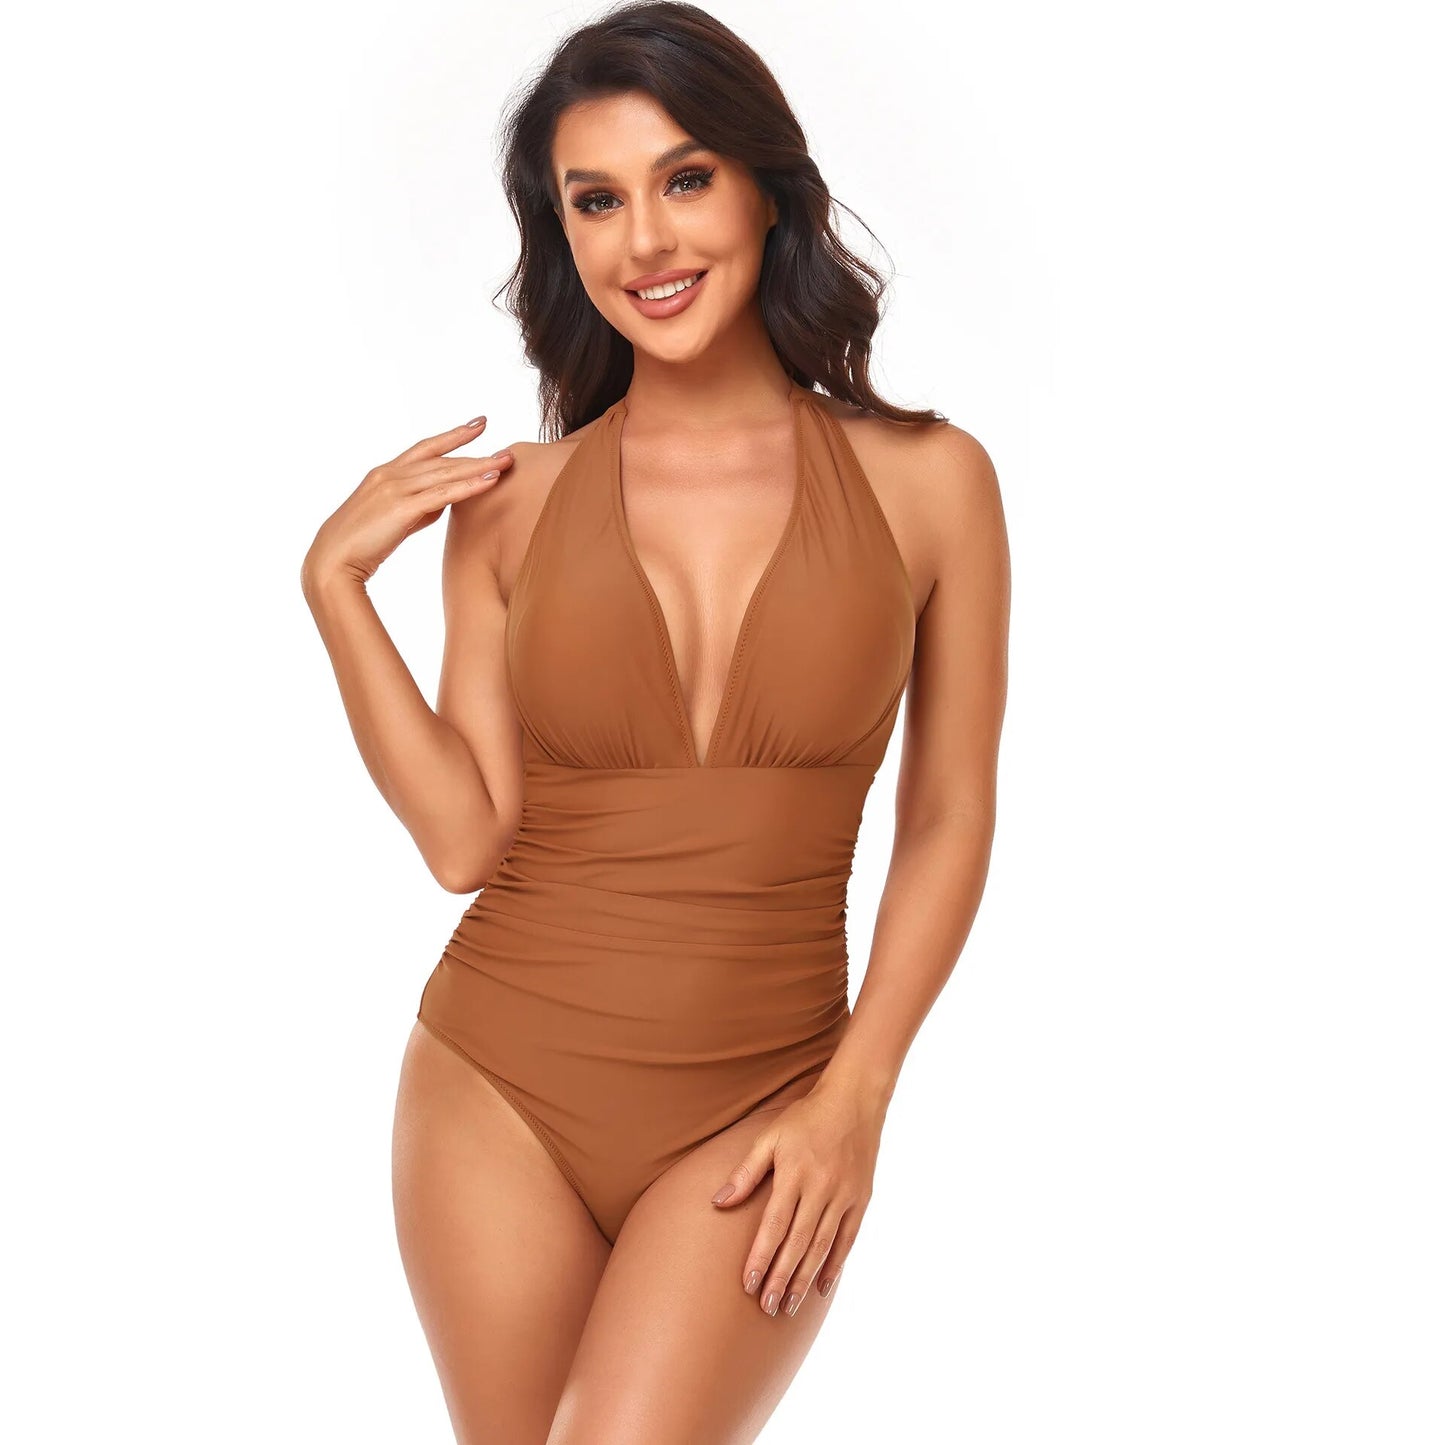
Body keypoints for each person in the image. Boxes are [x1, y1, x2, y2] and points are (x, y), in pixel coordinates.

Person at [301, 3, 1009, 1440]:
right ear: (560, 233)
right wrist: (332, 590)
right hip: (497, 1083)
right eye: (596, 200)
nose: (646, 241)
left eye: (684, 179)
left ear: (765, 189)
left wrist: (856, 1098)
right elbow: (464, 841)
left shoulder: (933, 480)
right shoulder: (512, 508)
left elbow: (946, 813)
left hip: (767, 1098)